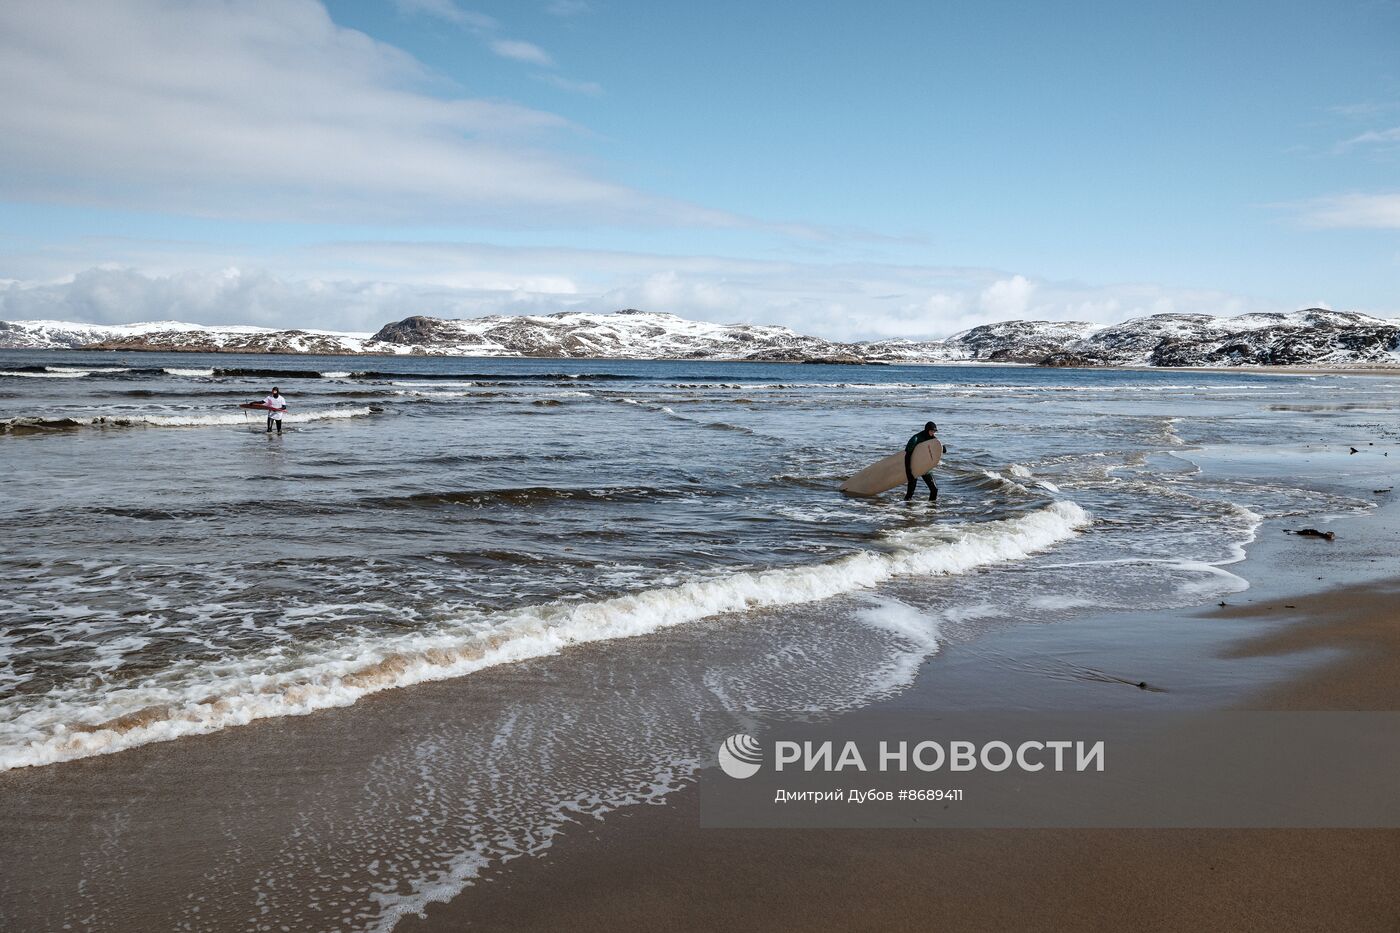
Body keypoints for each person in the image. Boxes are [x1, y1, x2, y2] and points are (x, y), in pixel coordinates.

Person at [904, 421, 942, 502]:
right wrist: (909, 472)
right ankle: (906, 510)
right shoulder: (915, 439)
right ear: (927, 430)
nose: (933, 433)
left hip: (925, 468)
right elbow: (907, 456)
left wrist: (943, 449)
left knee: (934, 489)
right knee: (910, 493)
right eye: (931, 431)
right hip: (913, 468)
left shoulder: (932, 439)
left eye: (934, 431)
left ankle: (931, 509)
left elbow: (938, 448)